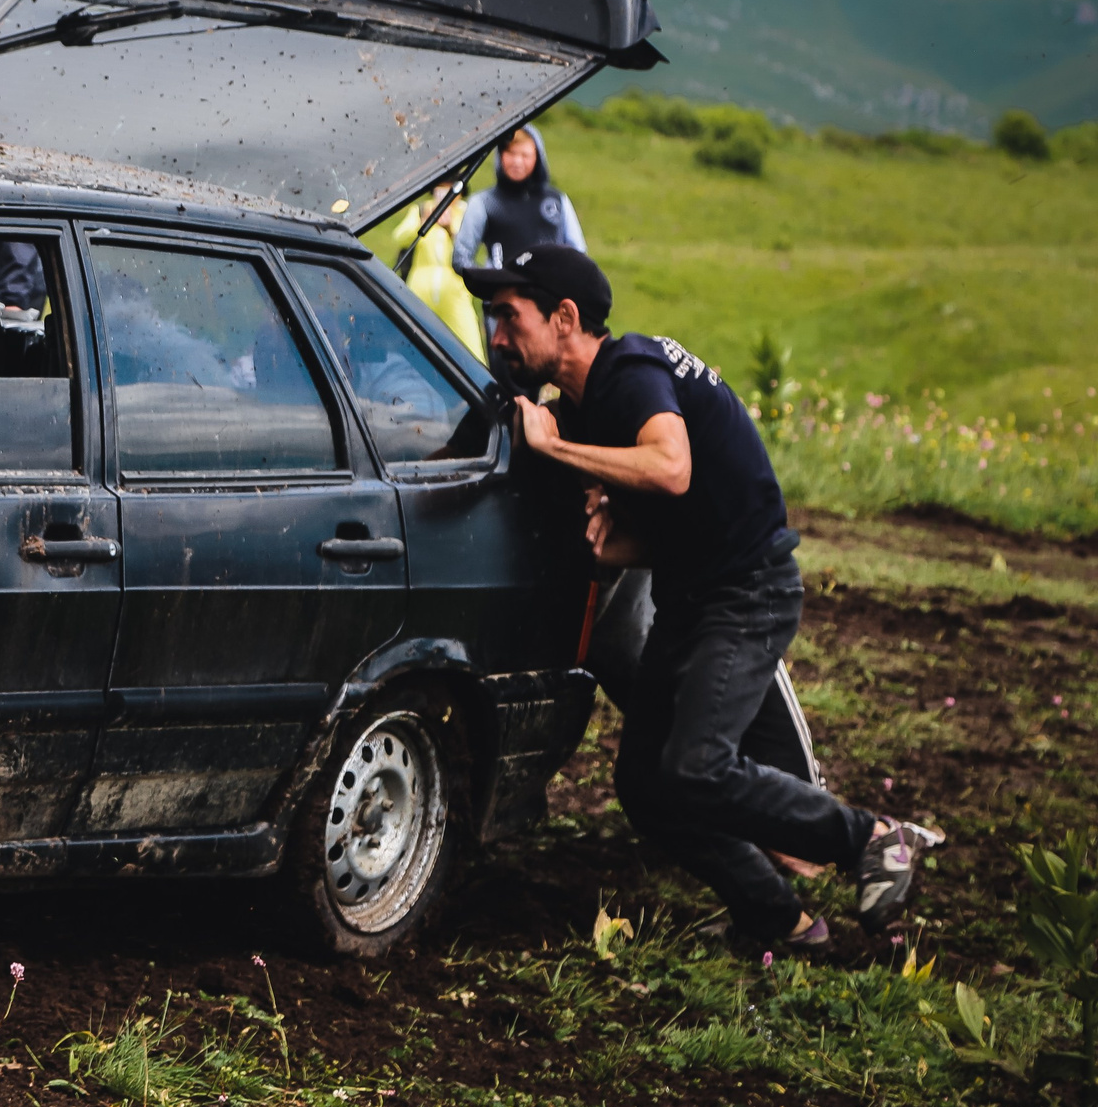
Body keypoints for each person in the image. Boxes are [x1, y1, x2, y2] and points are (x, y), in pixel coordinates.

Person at [461, 246, 935, 949]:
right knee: (646, 787)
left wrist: (556, 450)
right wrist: (613, 537)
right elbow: (680, 514)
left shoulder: (630, 372)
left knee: (698, 765)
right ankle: (776, 920)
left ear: (564, 317)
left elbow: (671, 466)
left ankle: (872, 836)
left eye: (509, 317)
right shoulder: (587, 405)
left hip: (748, 592)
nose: (497, 336)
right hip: (690, 594)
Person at [454, 124, 585, 269]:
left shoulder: (557, 200)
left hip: (549, 283)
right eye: (511, 153)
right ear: (500, 155)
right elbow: (460, 258)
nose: (517, 161)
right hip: (502, 283)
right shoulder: (484, 202)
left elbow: (579, 254)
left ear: (538, 157)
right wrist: (491, 279)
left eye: (525, 155)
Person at [387, 185, 486, 362]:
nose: (445, 195)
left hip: (454, 290)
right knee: (410, 342)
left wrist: (449, 228)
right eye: (441, 189)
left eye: (451, 189)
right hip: (420, 286)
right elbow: (399, 237)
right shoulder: (422, 209)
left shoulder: (465, 212)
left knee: (471, 348)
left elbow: (470, 247)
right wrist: (422, 222)